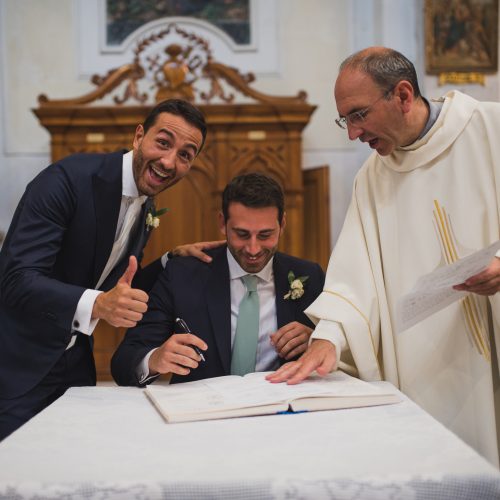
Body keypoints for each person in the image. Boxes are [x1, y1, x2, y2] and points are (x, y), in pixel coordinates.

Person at [267, 47, 500, 465]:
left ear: (403, 95)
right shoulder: (372, 181)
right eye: (345, 120)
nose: (353, 134)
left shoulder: (491, 129)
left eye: (358, 115)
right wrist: (328, 336)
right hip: (430, 370)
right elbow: (353, 283)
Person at [0, 99, 223, 439]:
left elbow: (116, 284)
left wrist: (170, 259)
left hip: (73, 369)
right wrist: (99, 304)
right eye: (163, 143)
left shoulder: (146, 203)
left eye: (185, 155)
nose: (169, 162)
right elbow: (16, 279)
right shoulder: (65, 180)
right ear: (139, 136)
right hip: (18, 367)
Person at [111, 173, 325, 386]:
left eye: (265, 235)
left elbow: (337, 352)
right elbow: (124, 362)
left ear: (283, 224)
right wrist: (155, 359)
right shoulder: (182, 275)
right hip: (202, 405)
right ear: (223, 223)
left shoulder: (310, 277)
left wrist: (317, 341)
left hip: (281, 403)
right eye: (242, 234)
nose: (253, 249)